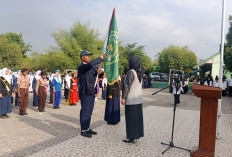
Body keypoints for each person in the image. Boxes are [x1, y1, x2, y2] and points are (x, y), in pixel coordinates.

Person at [78, 50, 104, 138]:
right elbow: (90, 64)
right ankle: (83, 130)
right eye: (87, 56)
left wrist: (99, 73)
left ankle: (87, 127)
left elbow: (95, 76)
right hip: (85, 92)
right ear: (82, 57)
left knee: (89, 111)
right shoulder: (82, 67)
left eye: (89, 56)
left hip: (91, 91)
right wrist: (99, 59)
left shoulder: (90, 68)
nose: (89, 57)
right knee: (85, 111)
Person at [121, 56, 144, 143]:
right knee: (136, 119)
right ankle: (135, 135)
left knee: (130, 119)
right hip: (138, 100)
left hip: (131, 100)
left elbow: (127, 86)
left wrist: (123, 98)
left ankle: (130, 137)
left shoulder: (131, 72)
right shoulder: (140, 73)